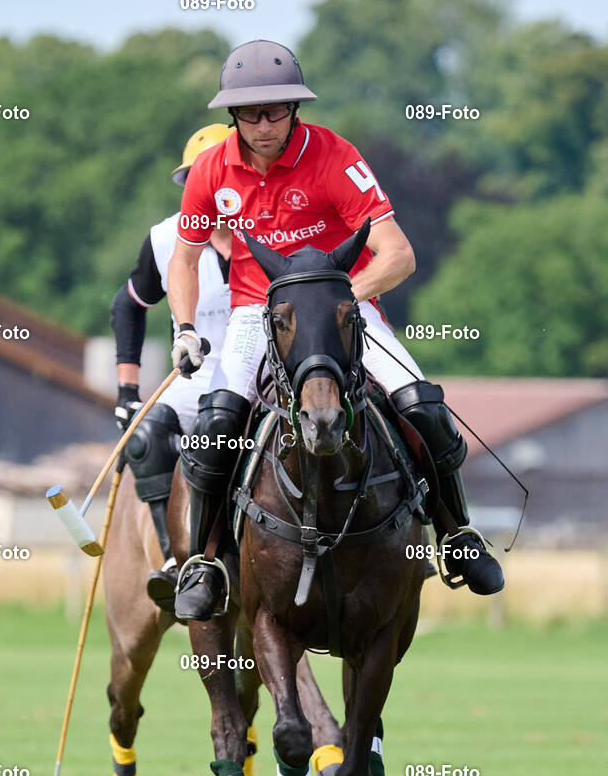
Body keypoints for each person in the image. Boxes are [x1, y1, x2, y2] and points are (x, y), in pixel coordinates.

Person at [167, 40, 505, 622]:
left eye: (276, 111)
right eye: (251, 114)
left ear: (295, 110)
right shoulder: (211, 169)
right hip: (257, 312)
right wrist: (185, 328)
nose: (264, 124)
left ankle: (457, 535)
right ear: (232, 116)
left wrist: (341, 300)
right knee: (217, 423)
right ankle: (206, 561)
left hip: (345, 305)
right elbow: (184, 257)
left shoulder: (333, 156)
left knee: (422, 405)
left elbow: (398, 255)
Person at [109, 123, 234, 610]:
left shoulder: (270, 233)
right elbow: (128, 305)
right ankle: (176, 564)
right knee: (143, 437)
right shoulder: (166, 239)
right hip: (194, 378)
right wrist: (127, 393)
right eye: (197, 178)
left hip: (265, 376)